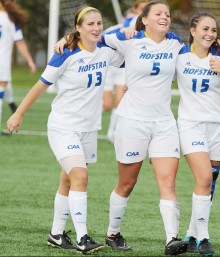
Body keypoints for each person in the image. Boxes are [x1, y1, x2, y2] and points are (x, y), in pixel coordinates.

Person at [7, 6, 124, 254]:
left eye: (99, 24)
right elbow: (40, 86)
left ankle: (56, 233)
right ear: (78, 28)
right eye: (90, 24)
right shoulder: (65, 54)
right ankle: (83, 237)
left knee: (68, 181)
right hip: (63, 127)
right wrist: (18, 113)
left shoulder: (106, 53)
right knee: (80, 177)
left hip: (89, 129)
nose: (96, 28)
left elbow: (130, 47)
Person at [100, 0, 189, 255]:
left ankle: (172, 239)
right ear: (145, 19)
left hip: (163, 124)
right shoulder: (129, 39)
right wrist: (68, 41)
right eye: (158, 13)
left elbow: (200, 50)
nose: (164, 17)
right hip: (131, 121)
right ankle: (112, 233)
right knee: (127, 183)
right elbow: (94, 39)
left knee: (168, 182)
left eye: (167, 14)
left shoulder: (175, 43)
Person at [176, 11, 220, 256]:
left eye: (214, 30)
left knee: (209, 182)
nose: (210, 34)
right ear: (193, 31)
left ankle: (191, 233)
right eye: (205, 29)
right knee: (204, 178)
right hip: (191, 124)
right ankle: (204, 238)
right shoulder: (179, 53)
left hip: (219, 125)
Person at [103, 0, 149, 143]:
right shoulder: (130, 21)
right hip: (110, 66)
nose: (143, 13)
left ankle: (112, 133)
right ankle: (84, 112)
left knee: (120, 101)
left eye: (146, 10)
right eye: (142, 9)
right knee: (107, 105)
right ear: (135, 10)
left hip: (124, 66)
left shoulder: (148, 26)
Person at [0, 0, 36, 134]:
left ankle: (12, 105)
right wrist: (30, 61)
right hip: (2, 62)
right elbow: (20, 43)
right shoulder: (10, 20)